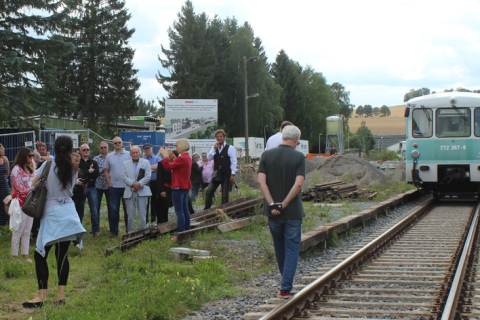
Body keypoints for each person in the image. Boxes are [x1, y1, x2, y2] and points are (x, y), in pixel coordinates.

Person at [22, 135, 86, 308]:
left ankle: (41, 296)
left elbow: (32, 186)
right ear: (71, 149)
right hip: (69, 212)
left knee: (40, 254)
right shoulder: (73, 168)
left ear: (55, 148)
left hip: (51, 212)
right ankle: (60, 295)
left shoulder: (47, 165)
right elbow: (72, 187)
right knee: (62, 255)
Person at [257, 125, 305, 299]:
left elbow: (261, 181)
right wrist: (283, 204)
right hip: (292, 211)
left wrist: (272, 204)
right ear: (296, 140)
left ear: (282, 137)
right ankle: (285, 287)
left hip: (272, 212)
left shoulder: (266, 156)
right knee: (292, 248)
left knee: (279, 247)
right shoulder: (299, 157)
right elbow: (298, 184)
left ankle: (285, 281)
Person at [159, 139, 192, 241]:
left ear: (181, 147)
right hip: (185, 186)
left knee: (179, 211)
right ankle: (186, 231)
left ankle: (180, 234)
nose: (176, 148)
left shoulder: (182, 158)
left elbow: (168, 167)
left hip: (178, 187)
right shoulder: (186, 157)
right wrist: (173, 156)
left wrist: (165, 156)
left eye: (177, 146)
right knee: (185, 209)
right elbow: (177, 164)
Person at [10, 148, 35, 263]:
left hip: (30, 202)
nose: (32, 158)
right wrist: (32, 190)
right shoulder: (16, 169)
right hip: (20, 203)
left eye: (32, 155)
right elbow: (20, 187)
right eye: (30, 155)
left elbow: (35, 182)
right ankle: (15, 257)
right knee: (18, 230)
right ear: (24, 156)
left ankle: (25, 255)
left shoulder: (30, 169)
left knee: (27, 230)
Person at [103, 137, 131, 237]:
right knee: (114, 210)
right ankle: (114, 231)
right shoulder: (109, 156)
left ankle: (129, 231)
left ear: (122, 143)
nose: (117, 144)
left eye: (119, 142)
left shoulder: (129, 154)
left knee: (128, 210)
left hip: (127, 187)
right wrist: (109, 184)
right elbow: (106, 170)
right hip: (114, 187)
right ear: (113, 144)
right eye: (115, 143)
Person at [204, 129, 237, 209]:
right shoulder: (214, 148)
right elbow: (209, 158)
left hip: (226, 173)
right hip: (217, 173)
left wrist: (233, 174)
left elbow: (234, 161)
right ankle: (206, 210)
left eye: (221, 136)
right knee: (209, 191)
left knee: (225, 195)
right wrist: (214, 149)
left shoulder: (230, 148)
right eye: (217, 137)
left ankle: (224, 211)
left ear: (224, 137)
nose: (219, 138)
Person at [122, 146, 152, 233]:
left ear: (139, 153)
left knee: (143, 213)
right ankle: (131, 232)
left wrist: (138, 185)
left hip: (142, 191)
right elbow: (124, 177)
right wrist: (133, 184)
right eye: (133, 153)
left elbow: (148, 176)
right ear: (130, 154)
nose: (135, 154)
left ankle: (142, 231)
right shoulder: (125, 164)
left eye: (136, 152)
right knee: (130, 214)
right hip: (130, 191)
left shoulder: (146, 162)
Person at [78, 144, 100, 236]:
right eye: (84, 150)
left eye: (87, 149)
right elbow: (78, 174)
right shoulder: (78, 162)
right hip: (81, 187)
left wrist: (85, 173)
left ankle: (96, 230)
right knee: (80, 210)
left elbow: (96, 174)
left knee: (94, 209)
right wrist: (89, 172)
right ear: (80, 151)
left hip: (92, 187)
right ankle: (78, 231)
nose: (86, 151)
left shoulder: (94, 162)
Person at [142, 143, 161, 226]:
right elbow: (142, 170)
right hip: (146, 183)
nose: (147, 150)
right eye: (145, 149)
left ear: (151, 149)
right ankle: (145, 221)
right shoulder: (142, 160)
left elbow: (159, 167)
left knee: (154, 202)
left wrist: (148, 169)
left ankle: (153, 220)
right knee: (145, 202)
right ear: (144, 150)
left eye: (148, 148)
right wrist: (152, 169)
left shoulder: (157, 158)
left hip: (155, 182)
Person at [155, 152, 176, 224]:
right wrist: (162, 190)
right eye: (169, 156)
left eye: (172, 156)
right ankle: (163, 222)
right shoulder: (162, 163)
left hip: (177, 187)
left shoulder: (178, 163)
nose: (170, 157)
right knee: (163, 206)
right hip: (165, 187)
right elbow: (159, 178)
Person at [71, 153, 86, 247]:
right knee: (72, 219)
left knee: (79, 218)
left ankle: (77, 240)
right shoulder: (67, 171)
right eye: (75, 161)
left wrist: (84, 183)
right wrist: (76, 182)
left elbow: (84, 182)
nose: (77, 163)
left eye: (78, 161)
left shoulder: (79, 170)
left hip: (80, 196)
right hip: (71, 197)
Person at [94, 141, 110, 221]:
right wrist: (104, 170)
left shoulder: (112, 157)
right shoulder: (96, 159)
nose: (103, 149)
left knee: (111, 207)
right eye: (102, 148)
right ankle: (96, 228)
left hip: (109, 185)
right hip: (98, 185)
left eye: (105, 147)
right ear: (99, 149)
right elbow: (94, 171)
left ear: (108, 148)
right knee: (96, 207)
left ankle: (112, 228)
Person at [0, 143, 10, 226]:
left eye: (3, 148)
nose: (3, 150)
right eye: (1, 149)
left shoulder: (5, 159)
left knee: (6, 202)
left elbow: (7, 172)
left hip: (4, 185)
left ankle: (6, 223)